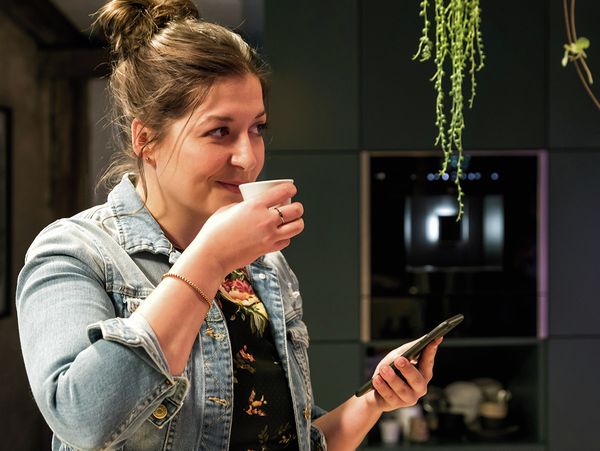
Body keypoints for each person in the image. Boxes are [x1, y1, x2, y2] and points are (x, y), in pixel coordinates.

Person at [16, 1, 441, 449]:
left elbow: (286, 437)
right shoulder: (74, 251)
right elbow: (81, 420)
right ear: (146, 140)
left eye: (257, 128)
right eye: (220, 131)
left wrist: (373, 400)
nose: (249, 156)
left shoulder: (263, 266)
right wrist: (211, 258)